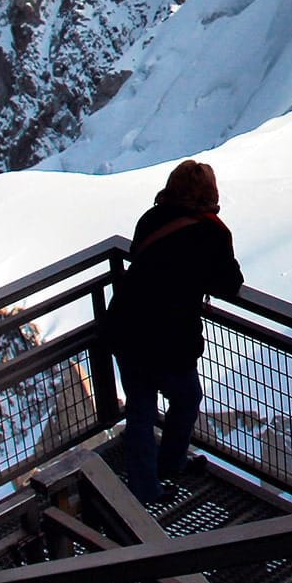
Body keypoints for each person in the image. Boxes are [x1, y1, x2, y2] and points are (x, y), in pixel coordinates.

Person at [106, 159, 244, 502]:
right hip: (169, 336)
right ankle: (169, 464)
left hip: (126, 324)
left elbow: (141, 255)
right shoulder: (212, 232)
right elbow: (230, 282)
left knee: (140, 407)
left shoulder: (151, 218)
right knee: (186, 398)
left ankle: (145, 487)